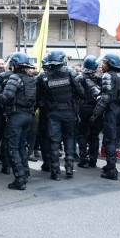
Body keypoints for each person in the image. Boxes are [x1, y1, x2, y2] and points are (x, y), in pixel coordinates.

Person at [0, 53, 36, 190]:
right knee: (21, 146)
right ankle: (25, 172)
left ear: (15, 65)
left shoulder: (15, 78)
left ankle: (19, 179)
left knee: (12, 148)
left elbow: (6, 98)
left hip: (17, 116)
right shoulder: (31, 79)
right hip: (28, 116)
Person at [36, 50, 85, 180]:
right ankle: (69, 167)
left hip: (53, 112)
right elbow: (80, 92)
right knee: (69, 137)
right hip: (69, 111)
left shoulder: (43, 76)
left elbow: (40, 95)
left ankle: (55, 171)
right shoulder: (70, 72)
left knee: (54, 140)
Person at [89, 53, 120, 180]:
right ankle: (110, 165)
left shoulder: (107, 75)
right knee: (113, 137)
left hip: (111, 110)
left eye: (104, 63)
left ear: (110, 64)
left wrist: (95, 114)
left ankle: (111, 169)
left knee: (109, 140)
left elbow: (105, 98)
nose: (102, 65)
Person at [76, 56, 102, 169]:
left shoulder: (80, 78)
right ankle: (93, 159)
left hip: (83, 109)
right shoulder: (100, 79)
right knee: (94, 135)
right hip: (97, 109)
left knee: (81, 133)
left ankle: (83, 159)